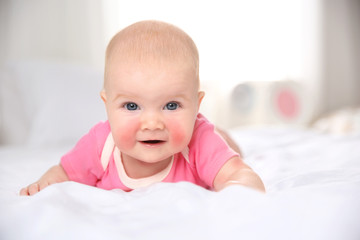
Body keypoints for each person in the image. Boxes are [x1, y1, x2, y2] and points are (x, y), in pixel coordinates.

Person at [20, 20, 265, 196]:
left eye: (171, 105)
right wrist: (43, 186)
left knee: (225, 145)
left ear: (196, 105)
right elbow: (64, 173)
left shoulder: (199, 140)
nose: (151, 124)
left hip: (207, 140)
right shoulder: (101, 144)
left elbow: (239, 176)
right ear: (107, 107)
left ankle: (225, 138)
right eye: (131, 105)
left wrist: (240, 186)